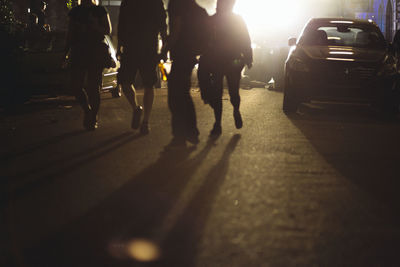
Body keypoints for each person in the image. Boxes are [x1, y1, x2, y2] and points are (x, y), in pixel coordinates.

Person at [198, 0, 252, 136]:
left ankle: (222, 119)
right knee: (229, 91)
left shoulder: (214, 20)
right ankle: (223, 119)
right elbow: (246, 39)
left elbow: (245, 38)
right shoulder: (235, 19)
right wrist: (248, 57)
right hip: (229, 61)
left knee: (223, 92)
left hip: (222, 61)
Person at [163, 0, 210, 147]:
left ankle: (181, 135)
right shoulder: (194, 6)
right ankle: (190, 132)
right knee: (182, 93)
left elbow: (176, 27)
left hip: (181, 54)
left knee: (175, 95)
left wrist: (165, 48)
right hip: (190, 55)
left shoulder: (177, 4)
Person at [117, 0, 167, 134]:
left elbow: (121, 25)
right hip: (144, 49)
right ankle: (142, 117)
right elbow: (162, 25)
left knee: (135, 83)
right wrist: (164, 49)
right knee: (142, 84)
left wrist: (119, 47)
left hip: (136, 48)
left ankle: (141, 115)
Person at [63, 0, 112, 130]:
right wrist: (65, 53)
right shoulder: (75, 12)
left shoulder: (100, 10)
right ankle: (88, 111)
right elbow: (70, 34)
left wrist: (95, 26)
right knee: (76, 85)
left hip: (94, 51)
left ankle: (92, 116)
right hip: (79, 51)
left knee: (94, 87)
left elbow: (108, 30)